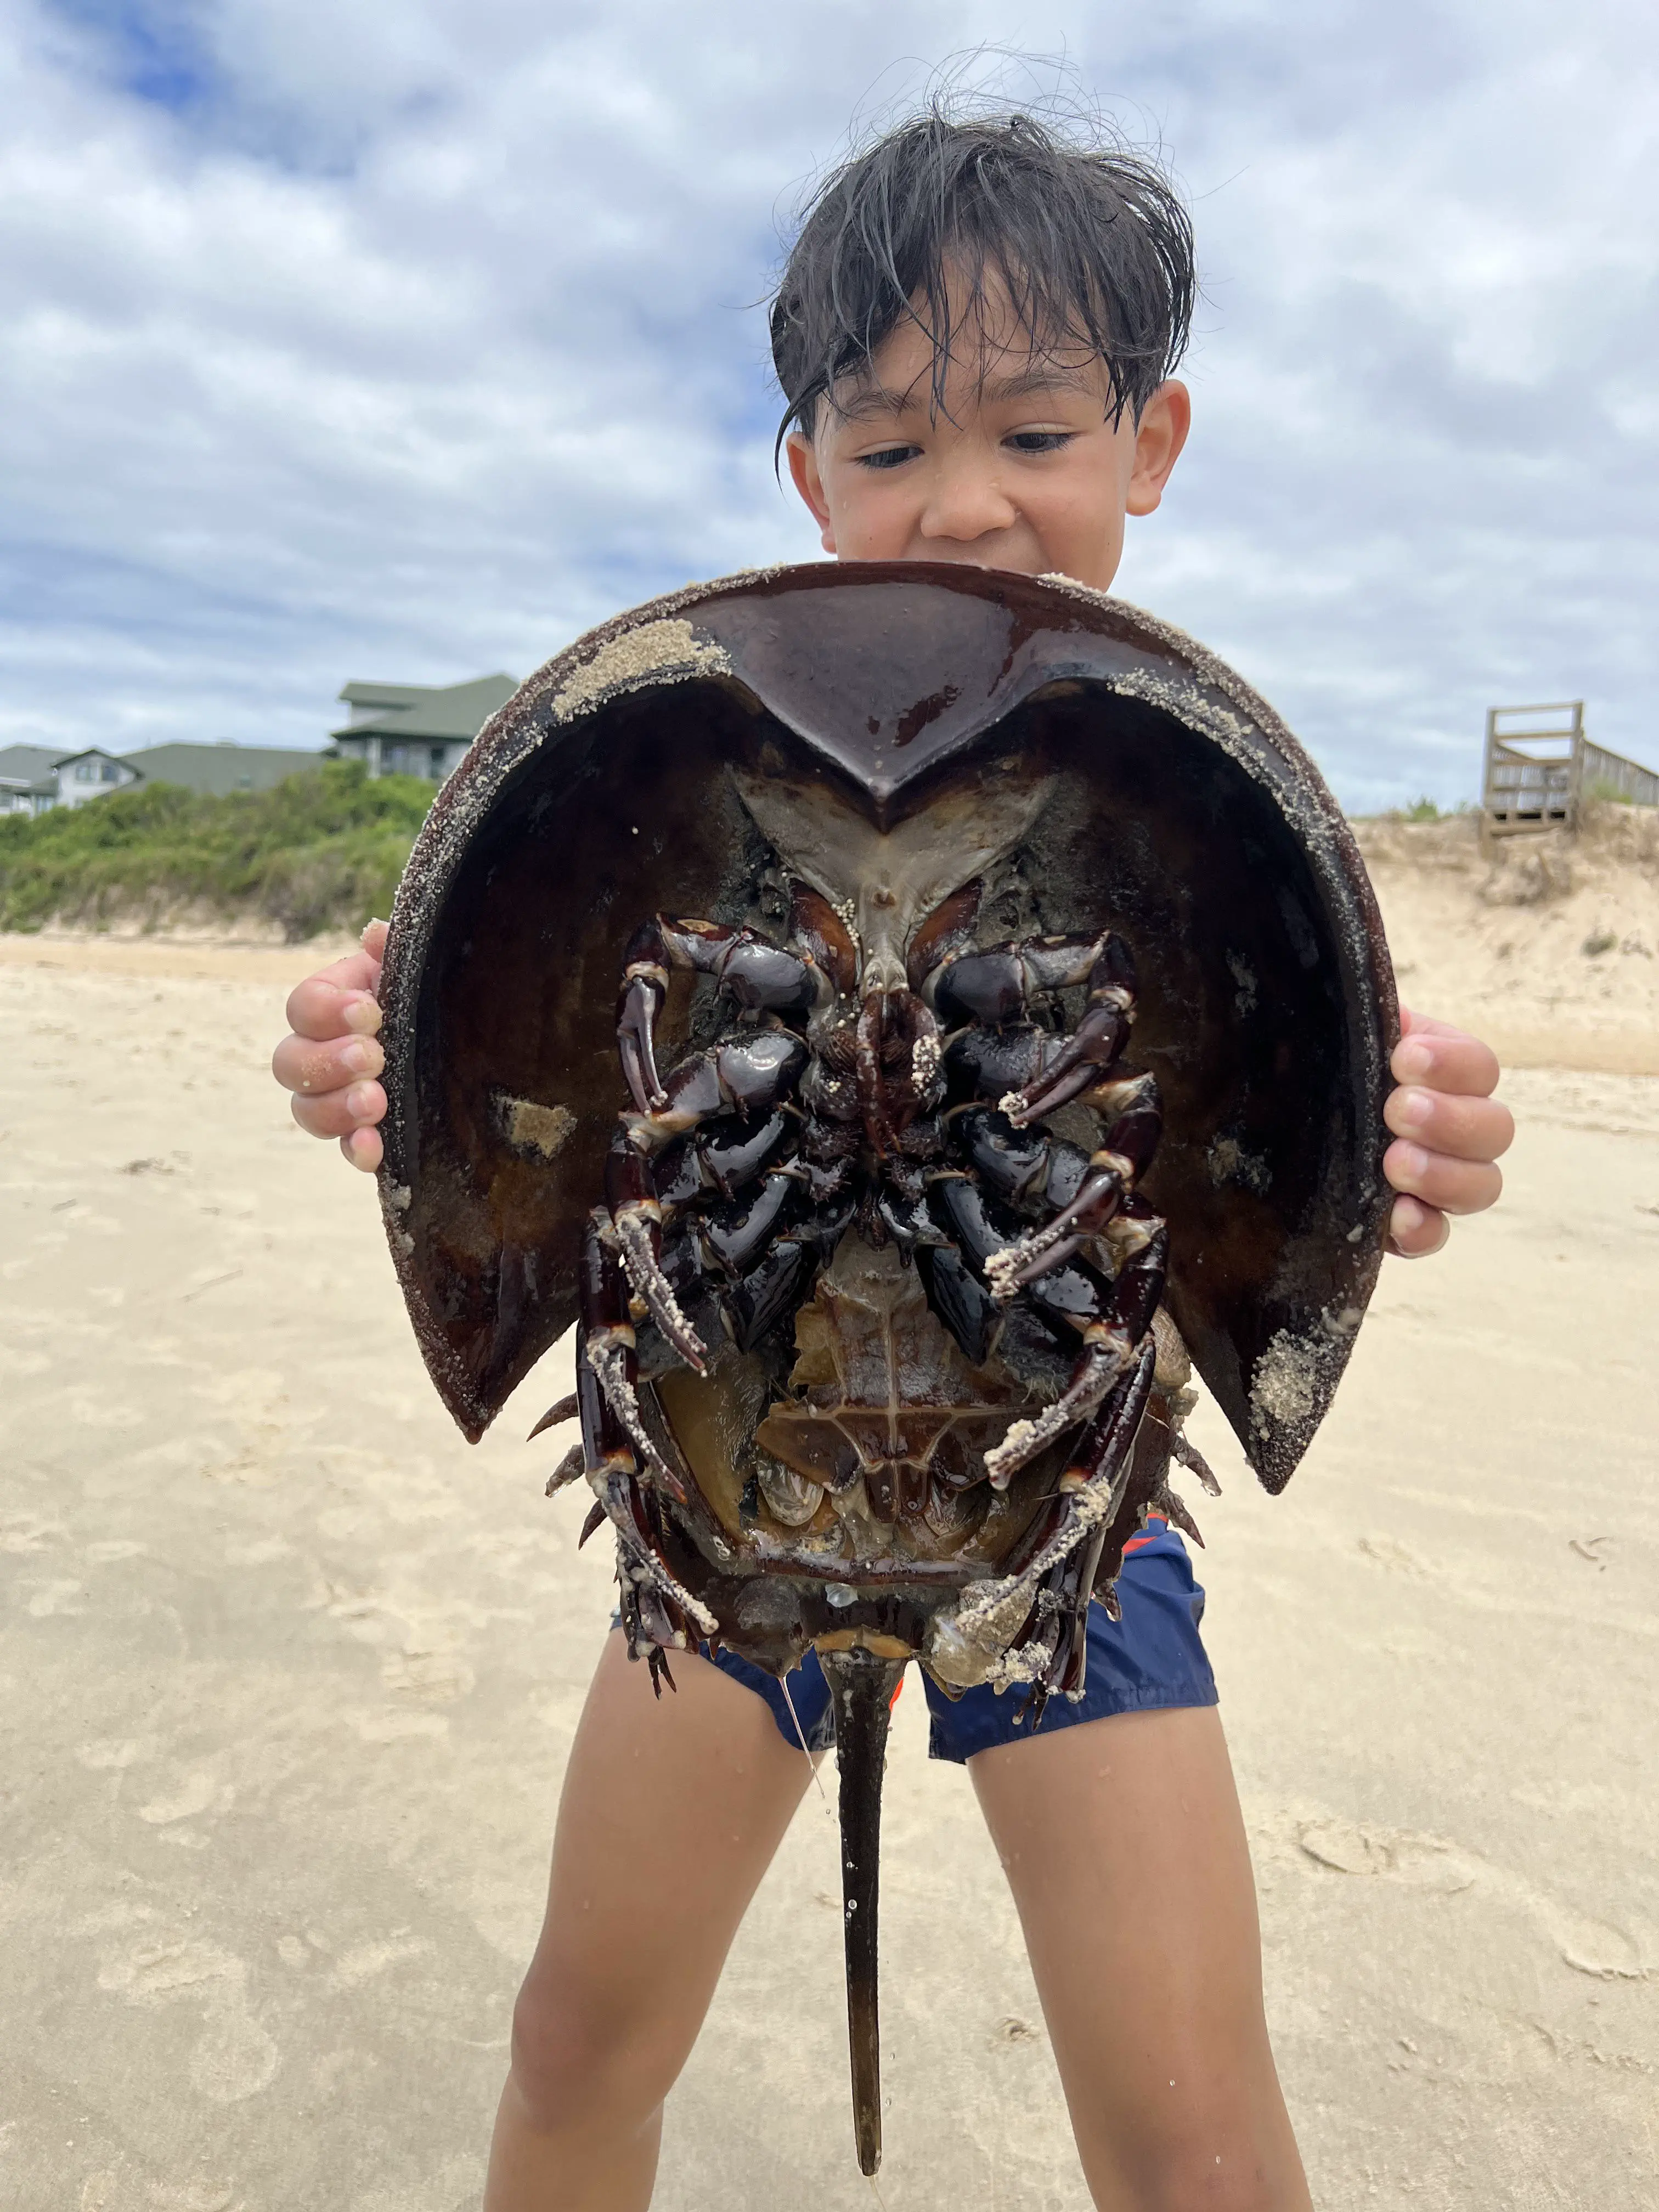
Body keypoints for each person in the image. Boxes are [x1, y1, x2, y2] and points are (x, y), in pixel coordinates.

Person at [272, 110, 1513, 2211]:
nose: (969, 504)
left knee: (1199, 2149)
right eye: (887, 446)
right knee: (578, 2039)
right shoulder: (668, 782)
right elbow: (514, 1110)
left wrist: (1408, 1149)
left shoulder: (1185, 815)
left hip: (1067, 1535)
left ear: (1153, 441)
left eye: (1037, 432)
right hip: (728, 1487)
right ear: (800, 475)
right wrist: (373, 1066)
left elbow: (1304, 1145)